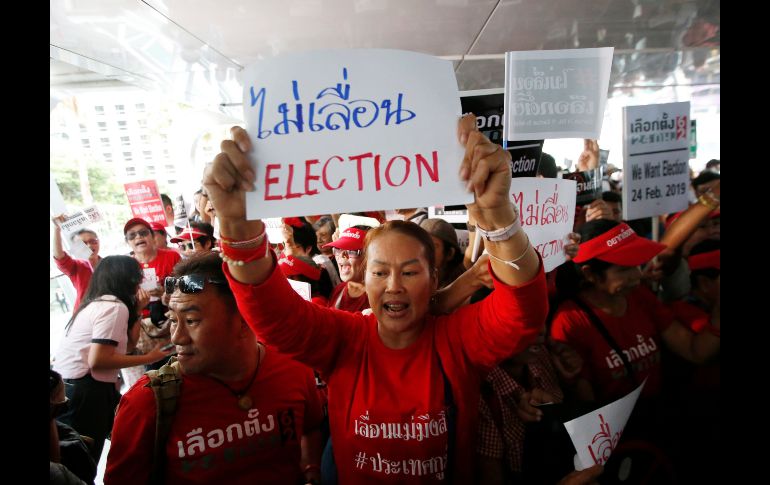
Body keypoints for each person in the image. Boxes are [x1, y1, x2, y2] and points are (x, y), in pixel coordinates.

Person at [201, 114, 548, 483]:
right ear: (364, 279)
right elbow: (273, 317)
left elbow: (521, 313)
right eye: (380, 272)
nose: (394, 286)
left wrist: (499, 218)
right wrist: (237, 228)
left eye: (411, 272)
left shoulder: (457, 340)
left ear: (434, 280)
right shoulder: (344, 339)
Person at [105, 253, 324, 485]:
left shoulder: (293, 369)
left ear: (242, 318)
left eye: (191, 321)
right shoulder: (145, 403)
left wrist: (311, 469)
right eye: (173, 320)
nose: (177, 337)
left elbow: (311, 428)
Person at [53, 255, 172, 462]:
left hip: (85, 389)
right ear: (126, 279)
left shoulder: (105, 304)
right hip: (85, 392)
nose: (140, 283)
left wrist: (136, 310)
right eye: (137, 278)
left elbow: (128, 346)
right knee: (82, 460)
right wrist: (148, 357)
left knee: (131, 435)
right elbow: (98, 360)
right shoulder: (113, 307)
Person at [52, 218, 102, 310]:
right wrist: (57, 229)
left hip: (109, 311)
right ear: (76, 246)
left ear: (98, 242)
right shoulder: (76, 266)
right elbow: (59, 257)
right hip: (85, 314)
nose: (89, 246)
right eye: (83, 243)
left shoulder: (109, 263)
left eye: (93, 241)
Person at [323, 226, 371, 312]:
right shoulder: (339, 289)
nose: (342, 255)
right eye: (338, 249)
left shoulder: (377, 297)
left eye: (352, 251)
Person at [419, 218, 466, 289]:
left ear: (449, 254)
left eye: (432, 246)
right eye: (420, 244)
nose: (423, 251)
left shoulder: (459, 281)